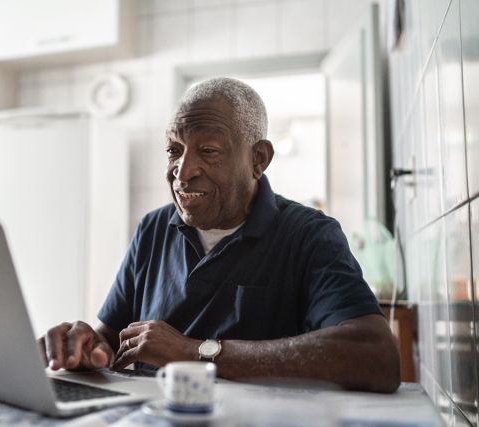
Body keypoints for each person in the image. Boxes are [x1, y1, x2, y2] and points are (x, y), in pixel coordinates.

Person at [39, 77, 400, 393]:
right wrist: (86, 348)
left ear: (258, 159)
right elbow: (111, 340)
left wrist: (197, 352)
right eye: (173, 151)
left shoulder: (310, 235)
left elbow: (376, 355)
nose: (182, 172)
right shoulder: (152, 229)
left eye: (208, 151)